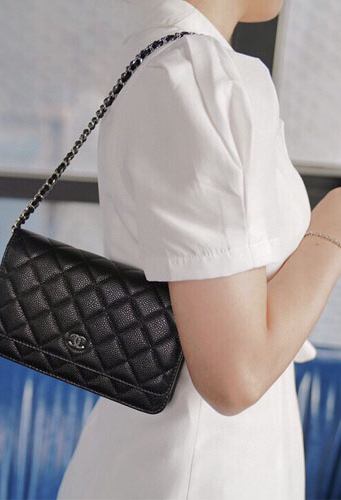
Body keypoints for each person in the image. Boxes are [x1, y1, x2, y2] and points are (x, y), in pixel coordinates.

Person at [56, 0, 341, 498]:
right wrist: (333, 225)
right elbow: (235, 375)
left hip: (178, 457)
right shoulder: (195, 77)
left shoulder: (165, 60)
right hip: (198, 468)